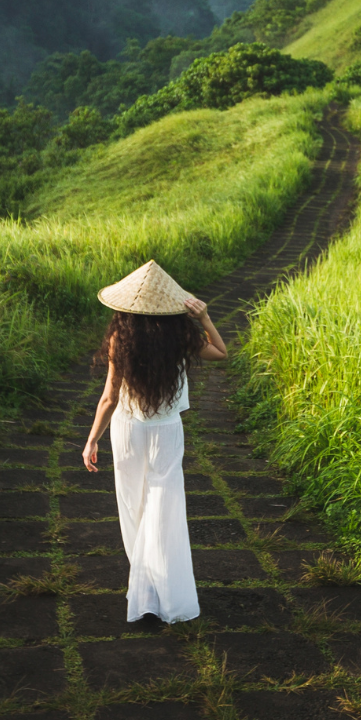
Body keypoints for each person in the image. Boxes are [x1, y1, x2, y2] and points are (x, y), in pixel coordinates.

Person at [81, 260, 227, 624]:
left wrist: (91, 439)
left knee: (133, 506)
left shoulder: (120, 337)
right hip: (166, 431)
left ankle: (143, 588)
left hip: (128, 430)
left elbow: (109, 398)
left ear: (126, 308)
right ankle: (163, 592)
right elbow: (221, 353)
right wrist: (205, 317)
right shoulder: (182, 336)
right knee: (164, 506)